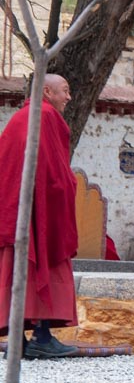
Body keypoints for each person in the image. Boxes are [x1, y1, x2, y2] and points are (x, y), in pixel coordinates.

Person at [0, 74, 79, 359]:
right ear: (47, 92)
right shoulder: (46, 116)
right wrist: (70, 187)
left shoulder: (21, 117)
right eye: (65, 91)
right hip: (40, 211)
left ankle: (18, 340)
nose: (69, 97)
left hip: (13, 210)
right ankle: (42, 336)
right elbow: (54, 174)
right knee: (47, 262)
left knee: (16, 268)